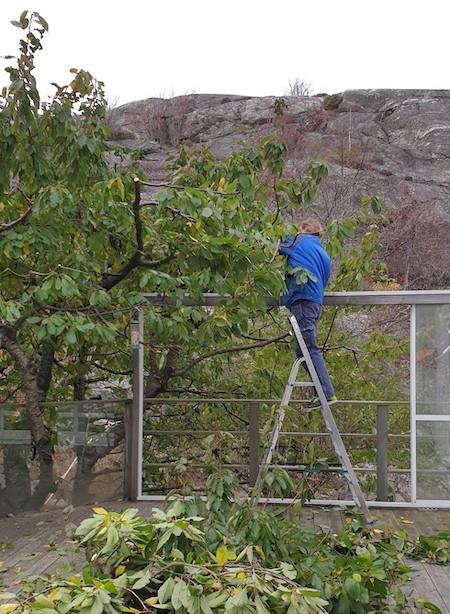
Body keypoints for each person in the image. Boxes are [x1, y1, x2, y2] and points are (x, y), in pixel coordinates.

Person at [279, 218, 336, 408]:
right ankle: (321, 391)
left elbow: (275, 243)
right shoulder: (322, 252)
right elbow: (325, 277)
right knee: (303, 349)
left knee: (308, 348)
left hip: (302, 299)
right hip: (314, 301)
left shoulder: (298, 242)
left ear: (303, 229)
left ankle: (326, 392)